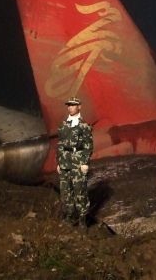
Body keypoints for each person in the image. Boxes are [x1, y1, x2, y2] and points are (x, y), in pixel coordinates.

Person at [56, 97, 93, 228]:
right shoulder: (63, 125)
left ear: (79, 107)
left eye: (73, 105)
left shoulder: (84, 126)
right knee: (66, 192)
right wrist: (59, 163)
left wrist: (85, 162)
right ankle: (69, 216)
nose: (70, 107)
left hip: (78, 162)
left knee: (80, 191)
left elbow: (88, 145)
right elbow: (60, 144)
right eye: (69, 105)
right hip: (65, 162)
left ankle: (82, 219)